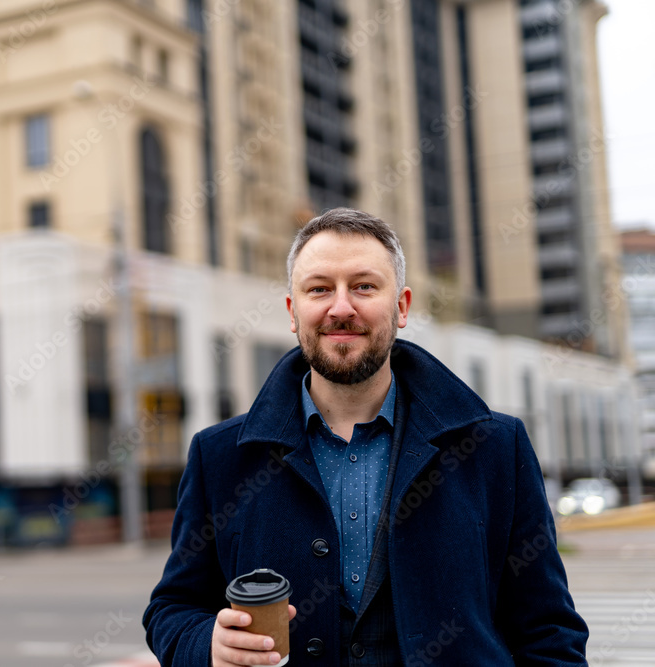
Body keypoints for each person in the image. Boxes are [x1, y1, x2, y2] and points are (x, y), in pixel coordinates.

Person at [143, 208, 588, 666]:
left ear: (401, 307)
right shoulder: (219, 457)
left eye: (363, 286)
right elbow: (171, 610)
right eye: (319, 289)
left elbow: (549, 630)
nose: (340, 308)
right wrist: (207, 646)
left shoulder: (494, 447)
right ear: (294, 312)